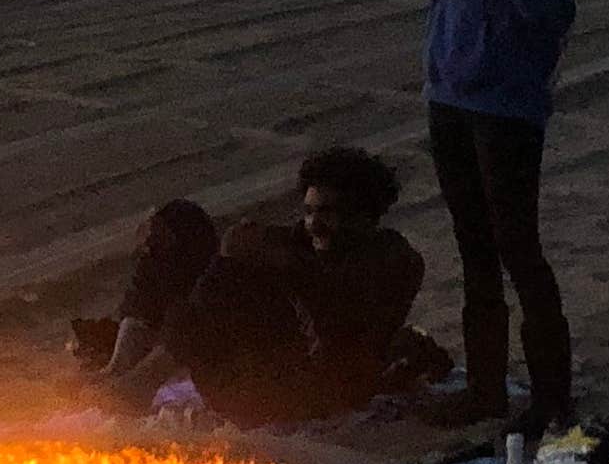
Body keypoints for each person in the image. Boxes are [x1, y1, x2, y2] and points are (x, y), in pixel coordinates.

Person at [389, 0, 576, 433]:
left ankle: (553, 397)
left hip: (508, 102)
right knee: (474, 253)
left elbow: (542, 4)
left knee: (518, 249)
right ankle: (486, 391)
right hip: (450, 97)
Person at [77, 148, 430, 428]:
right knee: (179, 227)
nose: (314, 224)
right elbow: (245, 243)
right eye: (308, 212)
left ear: (365, 215)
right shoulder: (305, 241)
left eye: (328, 213)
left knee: (233, 281)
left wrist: (276, 263)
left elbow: (343, 307)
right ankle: (120, 368)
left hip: (303, 390)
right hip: (258, 364)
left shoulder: (396, 261)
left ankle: (142, 382)